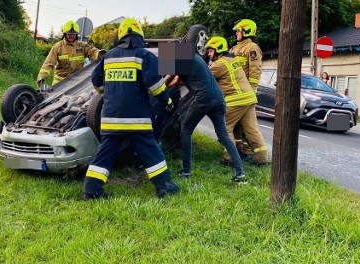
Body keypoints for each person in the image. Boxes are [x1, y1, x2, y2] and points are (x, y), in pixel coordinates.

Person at [82, 18, 179, 200]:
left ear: (120, 36)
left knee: (105, 154)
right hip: (136, 119)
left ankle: (91, 190)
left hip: (111, 119)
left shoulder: (108, 56)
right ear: (139, 35)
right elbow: (156, 86)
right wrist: (167, 99)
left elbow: (97, 84)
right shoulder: (145, 55)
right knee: (149, 150)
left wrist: (110, 89)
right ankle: (164, 185)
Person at [165, 52, 246, 183]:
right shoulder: (192, 58)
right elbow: (177, 81)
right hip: (219, 98)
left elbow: (168, 80)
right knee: (223, 134)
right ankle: (241, 173)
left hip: (203, 99)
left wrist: (156, 90)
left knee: (185, 130)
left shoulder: (177, 58)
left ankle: (186, 171)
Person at [205, 36, 269, 166]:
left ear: (218, 50)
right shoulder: (232, 59)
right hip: (249, 98)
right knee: (252, 129)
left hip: (236, 100)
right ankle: (262, 160)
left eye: (210, 51)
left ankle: (230, 159)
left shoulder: (219, 65)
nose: (208, 54)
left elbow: (203, 77)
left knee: (224, 128)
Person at [228, 19, 263, 159]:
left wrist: (251, 90)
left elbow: (255, 72)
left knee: (249, 128)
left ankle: (258, 156)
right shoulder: (234, 49)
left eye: (238, 31)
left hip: (245, 94)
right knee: (237, 128)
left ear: (246, 31)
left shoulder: (252, 48)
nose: (236, 33)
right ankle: (242, 151)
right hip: (235, 93)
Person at [37, 20, 101, 87]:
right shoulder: (58, 47)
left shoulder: (82, 46)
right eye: (69, 34)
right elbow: (48, 64)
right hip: (60, 82)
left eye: (73, 34)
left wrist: (104, 54)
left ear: (76, 35)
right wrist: (42, 77)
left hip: (77, 82)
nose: (71, 36)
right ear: (64, 34)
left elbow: (94, 52)